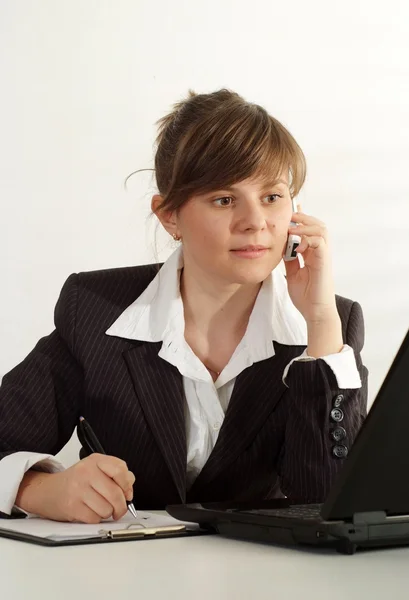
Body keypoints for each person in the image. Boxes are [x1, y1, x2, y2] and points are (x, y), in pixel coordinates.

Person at [0, 89, 368, 524]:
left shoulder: (329, 324)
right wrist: (39, 488)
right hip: (124, 578)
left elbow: (334, 506)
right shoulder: (95, 309)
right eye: (224, 199)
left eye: (272, 197)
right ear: (169, 216)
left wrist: (321, 321)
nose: (255, 221)